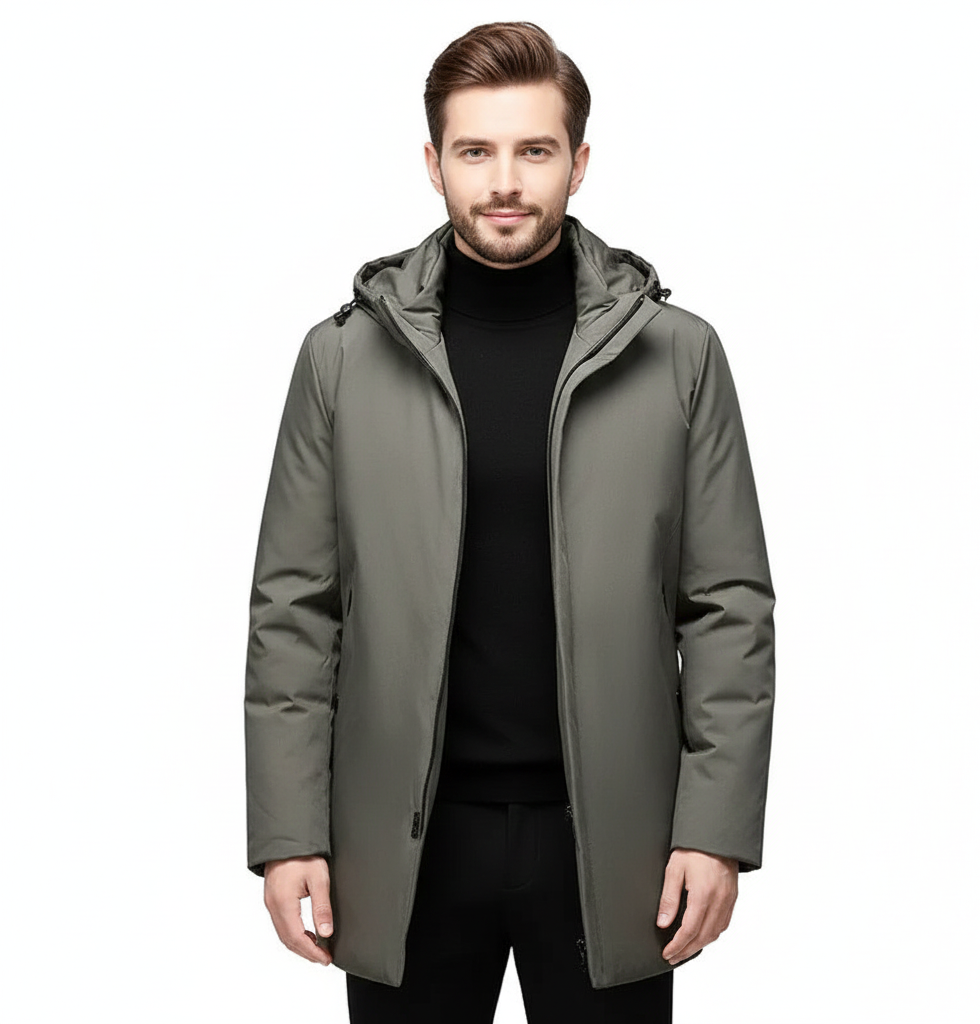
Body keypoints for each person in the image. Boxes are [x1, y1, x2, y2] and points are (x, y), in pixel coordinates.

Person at [244, 20, 776, 1023]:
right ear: (432, 163)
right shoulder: (342, 359)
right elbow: (293, 612)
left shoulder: (678, 355)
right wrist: (288, 834)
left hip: (613, 843)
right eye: (474, 151)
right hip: (402, 845)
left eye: (533, 150)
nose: (503, 181)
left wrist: (714, 829)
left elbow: (728, 608)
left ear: (579, 162)